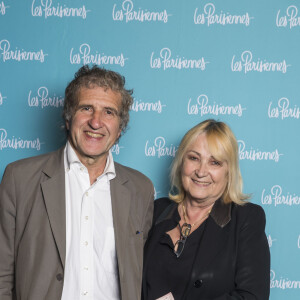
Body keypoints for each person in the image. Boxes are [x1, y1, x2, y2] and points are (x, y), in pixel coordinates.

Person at [0, 65, 154, 300]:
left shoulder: (140, 189)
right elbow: (2, 274)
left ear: (120, 127)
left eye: (109, 112)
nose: (96, 122)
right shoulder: (19, 178)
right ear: (69, 115)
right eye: (86, 108)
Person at [142, 119, 270, 300]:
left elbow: (252, 296)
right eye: (194, 158)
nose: (201, 171)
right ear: (181, 162)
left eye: (215, 162)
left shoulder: (246, 219)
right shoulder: (155, 211)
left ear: (228, 171)